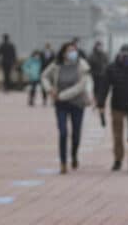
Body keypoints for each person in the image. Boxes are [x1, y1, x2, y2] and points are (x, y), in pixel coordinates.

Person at [41, 42, 92, 174]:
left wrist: (62, 95)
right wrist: (49, 89)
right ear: (63, 52)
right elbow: (44, 76)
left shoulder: (82, 66)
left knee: (76, 134)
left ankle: (74, 155)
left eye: (74, 50)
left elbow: (81, 86)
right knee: (63, 132)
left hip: (77, 103)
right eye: (69, 50)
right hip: (61, 105)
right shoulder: (56, 65)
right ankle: (63, 162)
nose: (72, 53)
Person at [98, 44, 128, 173]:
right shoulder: (111, 67)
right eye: (123, 53)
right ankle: (118, 159)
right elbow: (104, 86)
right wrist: (100, 103)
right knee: (117, 135)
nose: (125, 56)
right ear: (119, 54)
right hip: (117, 106)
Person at [88, 41, 109, 106]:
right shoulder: (92, 55)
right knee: (96, 86)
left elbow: (106, 63)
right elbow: (89, 65)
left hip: (103, 74)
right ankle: (96, 98)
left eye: (101, 46)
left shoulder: (104, 54)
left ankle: (100, 98)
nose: (100, 47)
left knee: (101, 87)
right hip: (95, 74)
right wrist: (92, 72)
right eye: (98, 46)